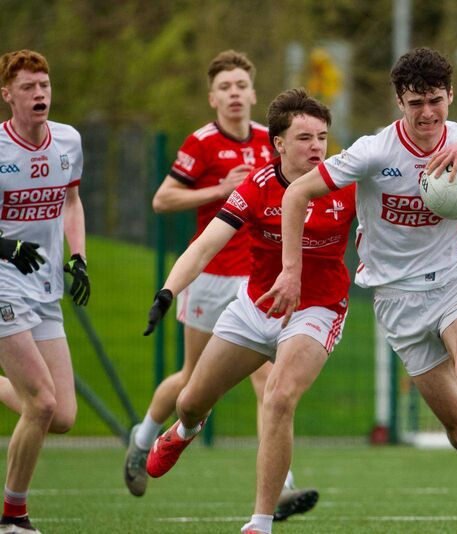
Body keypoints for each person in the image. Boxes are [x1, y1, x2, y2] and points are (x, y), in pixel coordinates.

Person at [265, 47, 457, 534]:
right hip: (397, 300)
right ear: (399, 102)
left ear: (451, 96)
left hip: (456, 283)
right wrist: (291, 270)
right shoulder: (374, 153)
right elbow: (296, 192)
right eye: (416, 103)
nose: (428, 113)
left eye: (436, 100)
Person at [142, 88, 355, 534]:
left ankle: (260, 522)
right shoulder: (257, 185)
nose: (317, 147)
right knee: (190, 401)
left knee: (278, 398)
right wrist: (167, 291)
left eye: (322, 137)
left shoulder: (347, 183)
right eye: (304, 138)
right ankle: (182, 432)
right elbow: (204, 247)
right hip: (256, 307)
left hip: (317, 309)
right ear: (278, 144)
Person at [122, 50, 317, 520]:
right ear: (213, 98)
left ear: (253, 93)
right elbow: (162, 199)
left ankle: (280, 487)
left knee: (267, 380)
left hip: (255, 280)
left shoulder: (274, 142)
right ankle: (143, 437)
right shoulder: (202, 143)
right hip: (208, 276)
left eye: (240, 86)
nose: (233, 94)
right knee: (192, 380)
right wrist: (221, 189)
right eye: (224, 87)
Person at [0, 49, 90, 534]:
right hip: (1, 281)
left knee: (63, 416)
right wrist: (5, 247)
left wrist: (78, 256)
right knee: (41, 403)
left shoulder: (69, 140)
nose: (40, 94)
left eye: (45, 86)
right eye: (29, 87)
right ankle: (13, 518)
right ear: (7, 95)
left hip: (44, 284)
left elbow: (72, 203)